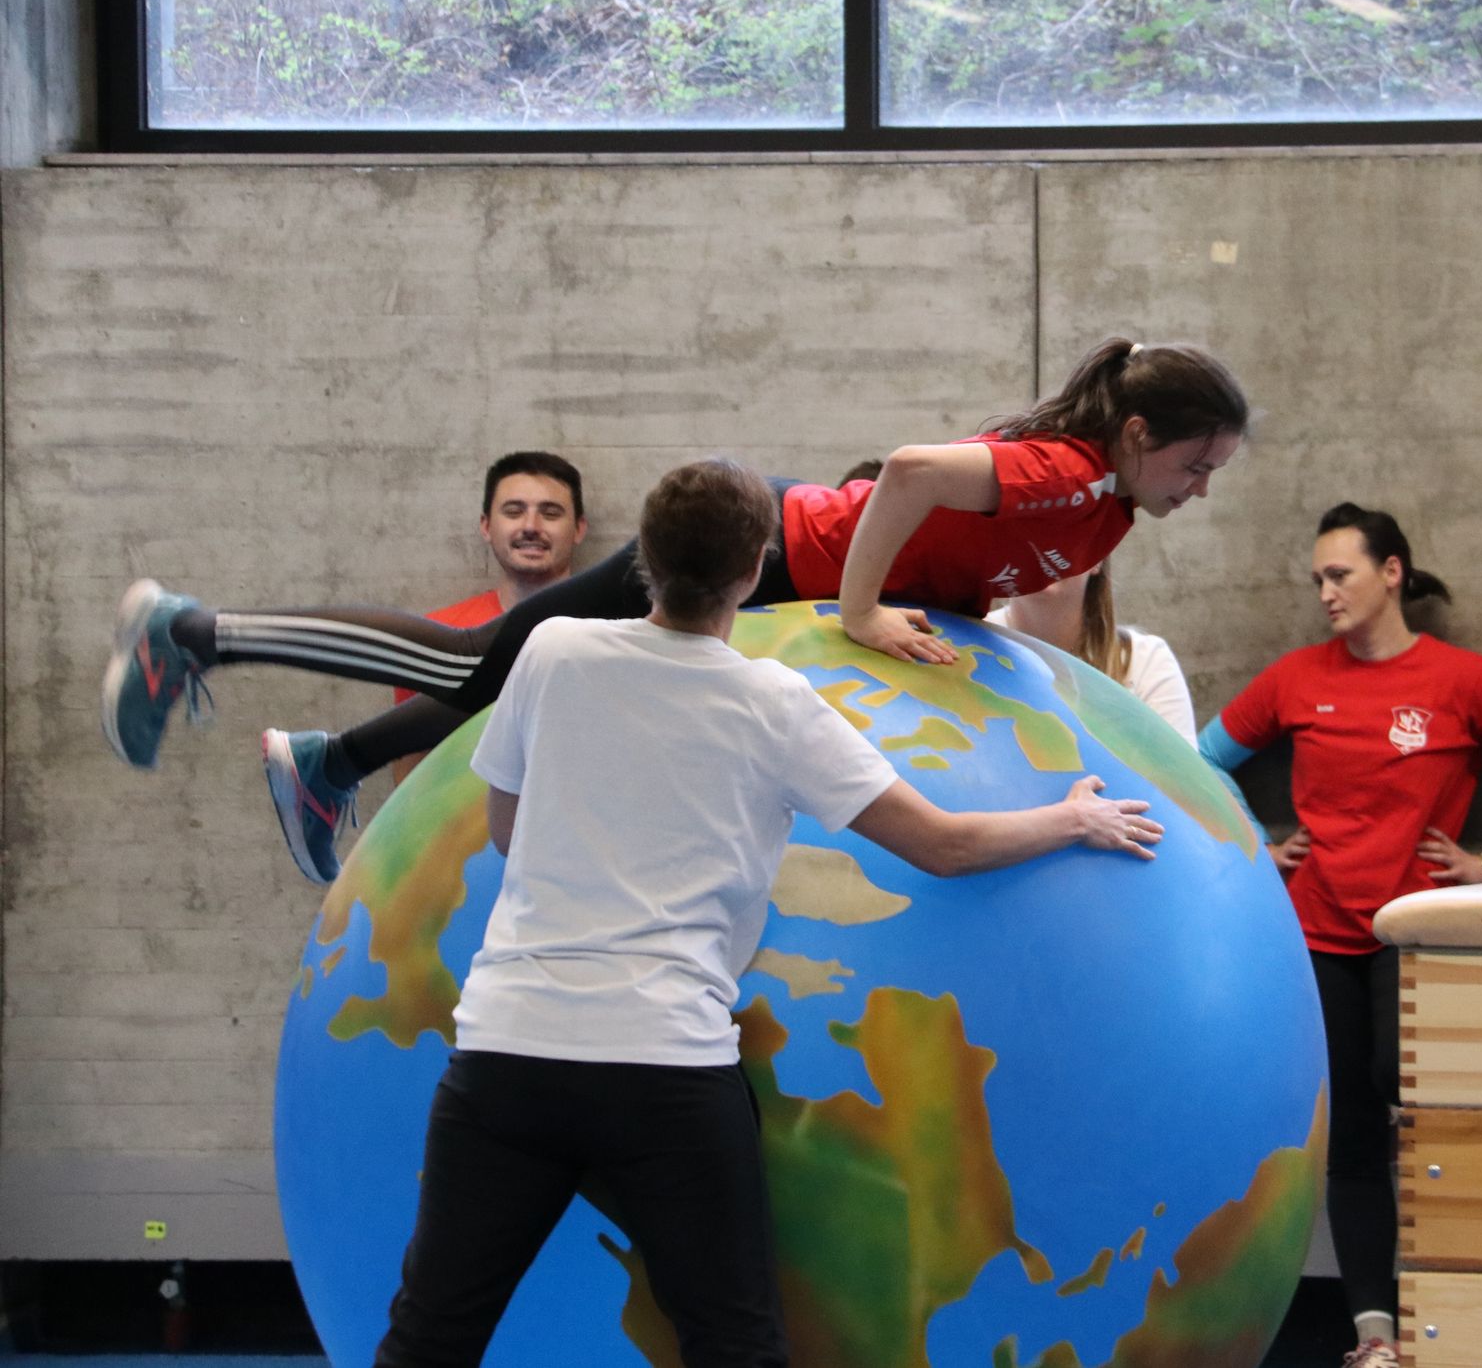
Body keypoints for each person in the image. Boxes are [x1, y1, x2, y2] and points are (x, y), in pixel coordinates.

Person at [372, 458, 1162, 1368]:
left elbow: (509, 833)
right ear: (755, 570)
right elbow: (942, 845)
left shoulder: (551, 651)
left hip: (509, 1052)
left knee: (429, 1335)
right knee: (733, 1344)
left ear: (644, 560)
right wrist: (1072, 818)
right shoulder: (773, 701)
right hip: (665, 1066)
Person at [99, 337, 1247, 884]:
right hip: (768, 550)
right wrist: (859, 612)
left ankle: (330, 761)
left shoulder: (1109, 512)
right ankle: (196, 634)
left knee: (498, 672)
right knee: (475, 662)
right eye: (1194, 466)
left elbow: (956, 553)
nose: (1198, 490)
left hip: (788, 561)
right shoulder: (1064, 473)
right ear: (1136, 434)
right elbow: (906, 472)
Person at [1196, 503, 1482, 1368]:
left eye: (1339, 575)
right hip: (1319, 933)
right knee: (1352, 1137)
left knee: (1402, 1090)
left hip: (1414, 934)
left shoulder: (1461, 679)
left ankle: (1465, 1312)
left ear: (1392, 573)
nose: (1326, 593)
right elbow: (1201, 760)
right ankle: (1373, 1338)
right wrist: (1259, 844)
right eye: (1317, 580)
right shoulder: (1296, 678)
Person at [391, 452, 590, 782]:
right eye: (513, 512)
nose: (531, 527)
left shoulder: (614, 636)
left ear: (579, 528)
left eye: (550, 513)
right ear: (486, 526)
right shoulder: (434, 638)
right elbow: (411, 783)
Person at [988, 565, 1195, 741]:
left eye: (1063, 533)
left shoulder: (1145, 662)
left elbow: (1183, 776)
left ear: (1098, 556)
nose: (1043, 551)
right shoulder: (970, 642)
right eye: (1025, 534)